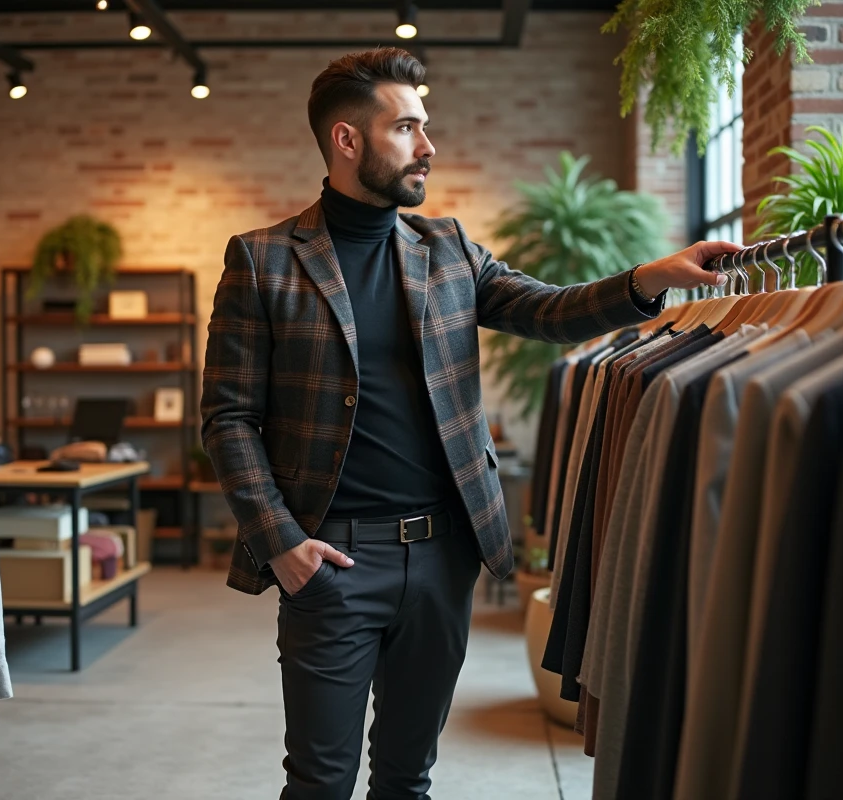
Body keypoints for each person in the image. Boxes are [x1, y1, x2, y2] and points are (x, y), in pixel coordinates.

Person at [200, 47, 736, 800]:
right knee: (319, 782)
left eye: (427, 127)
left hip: (442, 558)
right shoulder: (263, 262)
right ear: (348, 141)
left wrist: (652, 278)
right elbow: (227, 417)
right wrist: (282, 544)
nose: (429, 146)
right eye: (408, 127)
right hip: (331, 566)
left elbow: (548, 310)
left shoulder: (447, 249)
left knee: (408, 778)